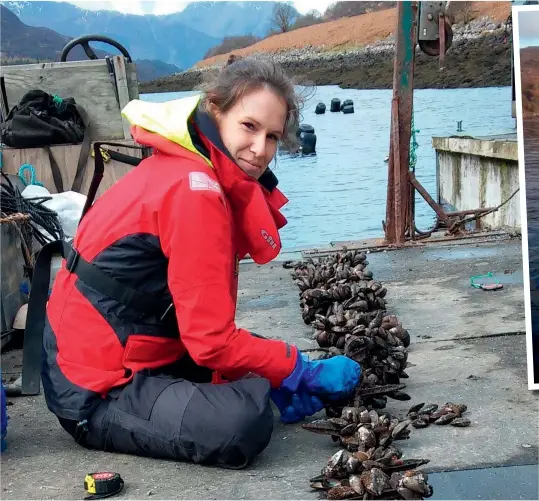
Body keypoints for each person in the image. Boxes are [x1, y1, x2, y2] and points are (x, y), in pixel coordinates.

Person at [41, 56, 361, 469]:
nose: (260, 149)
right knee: (243, 423)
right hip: (93, 387)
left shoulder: (185, 166)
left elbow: (202, 327)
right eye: (249, 126)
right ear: (215, 109)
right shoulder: (196, 192)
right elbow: (211, 342)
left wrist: (279, 372)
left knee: (260, 368)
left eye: (273, 137)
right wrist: (299, 370)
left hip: (129, 347)